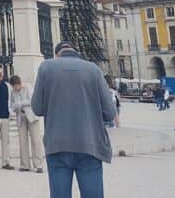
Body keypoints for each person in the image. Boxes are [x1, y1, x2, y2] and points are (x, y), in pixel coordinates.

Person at [31, 41, 117, 198]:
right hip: (90, 144)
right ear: (75, 52)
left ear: (57, 55)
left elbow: (37, 108)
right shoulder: (93, 69)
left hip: (57, 144)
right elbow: (110, 112)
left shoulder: (46, 67)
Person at [10, 74, 44, 173]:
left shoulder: (28, 87)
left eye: (17, 86)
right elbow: (11, 103)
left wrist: (21, 103)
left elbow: (32, 100)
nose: (16, 88)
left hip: (32, 116)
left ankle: (38, 165)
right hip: (21, 117)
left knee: (35, 141)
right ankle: (25, 165)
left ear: (19, 83)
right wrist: (14, 107)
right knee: (22, 141)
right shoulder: (13, 92)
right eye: (14, 86)